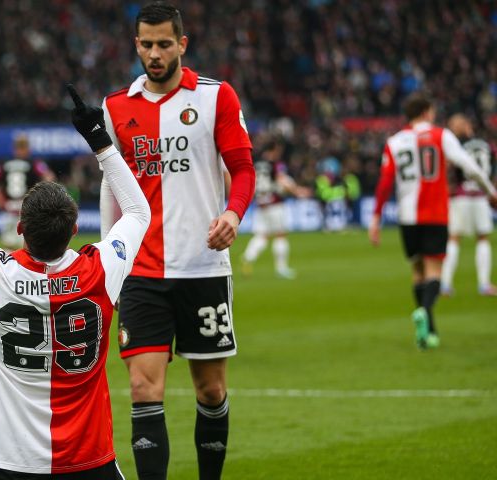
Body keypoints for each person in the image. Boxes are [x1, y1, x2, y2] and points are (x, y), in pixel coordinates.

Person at [0, 88, 150, 479]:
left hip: (7, 460)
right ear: (75, 229)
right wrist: (99, 138)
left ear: (20, 229)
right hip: (87, 460)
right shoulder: (101, 269)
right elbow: (138, 210)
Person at [98, 3, 256, 479]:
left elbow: (244, 169)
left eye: (164, 44)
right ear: (136, 45)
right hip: (141, 271)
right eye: (146, 44)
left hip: (203, 269)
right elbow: (111, 185)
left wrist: (233, 211)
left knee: (210, 390)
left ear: (182, 44)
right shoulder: (115, 107)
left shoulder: (216, 97)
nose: (154, 53)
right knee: (144, 389)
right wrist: (111, 260)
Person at [369, 94, 497, 350]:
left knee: (417, 272)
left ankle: (427, 333)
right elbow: (468, 166)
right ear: (427, 111)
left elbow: (385, 182)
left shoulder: (394, 142)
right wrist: (490, 192)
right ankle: (425, 312)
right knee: (434, 271)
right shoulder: (441, 135)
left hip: (407, 215)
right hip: (436, 212)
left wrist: (376, 216)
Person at [440, 114, 497, 296]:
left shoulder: (457, 146)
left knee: (454, 238)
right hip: (480, 194)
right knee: (483, 237)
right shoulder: (487, 146)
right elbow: (492, 172)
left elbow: (450, 169)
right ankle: (484, 284)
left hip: (461, 194)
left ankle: (445, 284)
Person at [241, 142, 312, 279]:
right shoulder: (273, 164)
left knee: (263, 235)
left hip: (261, 203)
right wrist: (298, 191)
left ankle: (248, 257)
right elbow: (282, 180)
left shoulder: (255, 163)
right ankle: (281, 268)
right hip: (275, 203)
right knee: (281, 234)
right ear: (273, 150)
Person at [0, 134, 56, 250]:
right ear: (28, 148)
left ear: (14, 148)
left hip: (9, 207)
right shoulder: (34, 163)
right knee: (31, 246)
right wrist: (40, 198)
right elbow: (49, 178)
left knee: (9, 247)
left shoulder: (4, 164)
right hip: (28, 208)